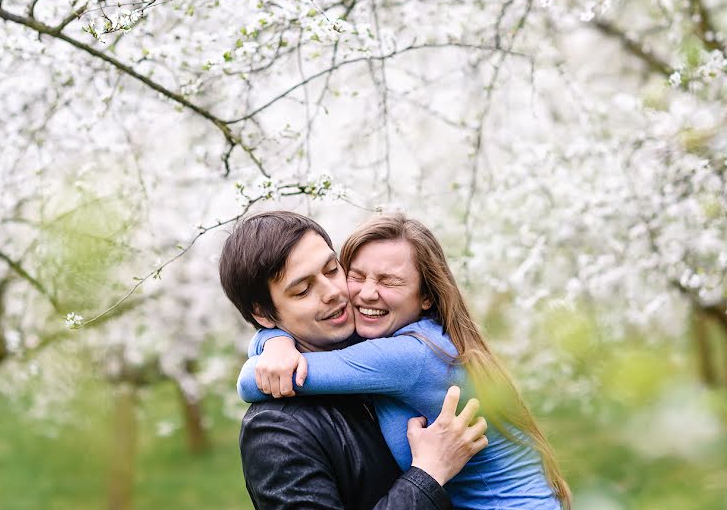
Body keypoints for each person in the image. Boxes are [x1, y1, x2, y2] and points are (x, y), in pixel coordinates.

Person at [238, 213, 572, 510]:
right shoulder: (387, 338)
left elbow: (254, 380)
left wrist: (273, 349)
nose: (364, 293)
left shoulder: (408, 356)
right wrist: (275, 340)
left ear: (427, 296)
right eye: (356, 275)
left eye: (390, 281)